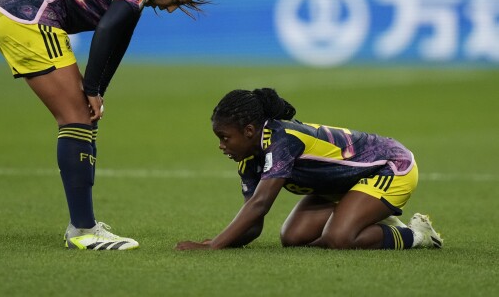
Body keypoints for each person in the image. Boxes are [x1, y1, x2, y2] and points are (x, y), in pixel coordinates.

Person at [0, 0, 206, 251]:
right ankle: (83, 230)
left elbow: (120, 36)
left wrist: (98, 89)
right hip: (29, 18)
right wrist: (90, 89)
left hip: (24, 15)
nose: (171, 8)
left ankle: (83, 223)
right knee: (76, 117)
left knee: (84, 118)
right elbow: (107, 29)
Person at [176, 88, 443, 251]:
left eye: (225, 137)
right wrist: (219, 242)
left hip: (389, 168)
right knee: (293, 237)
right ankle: (370, 216)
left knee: (339, 238)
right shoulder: (249, 159)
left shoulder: (281, 140)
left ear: (248, 131)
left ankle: (416, 236)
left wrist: (214, 246)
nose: (221, 146)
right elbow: (253, 225)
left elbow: (260, 205)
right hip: (345, 183)